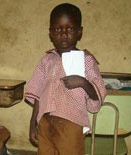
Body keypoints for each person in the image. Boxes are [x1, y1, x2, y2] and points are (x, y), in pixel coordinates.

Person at [25, 3, 107, 155]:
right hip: (45, 122)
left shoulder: (86, 60)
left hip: (71, 123)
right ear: (51, 33)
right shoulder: (46, 60)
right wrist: (32, 123)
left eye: (69, 29)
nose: (63, 34)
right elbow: (37, 93)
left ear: (79, 32)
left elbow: (99, 90)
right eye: (58, 29)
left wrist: (83, 82)